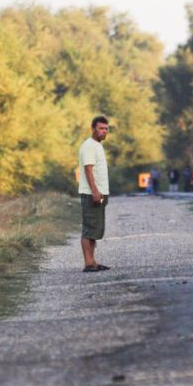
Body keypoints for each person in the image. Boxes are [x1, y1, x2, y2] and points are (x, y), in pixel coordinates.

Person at [79, 116, 111, 272]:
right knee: (89, 228)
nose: (104, 131)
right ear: (93, 129)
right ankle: (88, 263)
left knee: (95, 229)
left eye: (106, 128)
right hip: (92, 193)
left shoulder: (97, 145)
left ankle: (93, 261)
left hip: (99, 193)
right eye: (101, 128)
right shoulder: (89, 146)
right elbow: (88, 169)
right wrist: (95, 191)